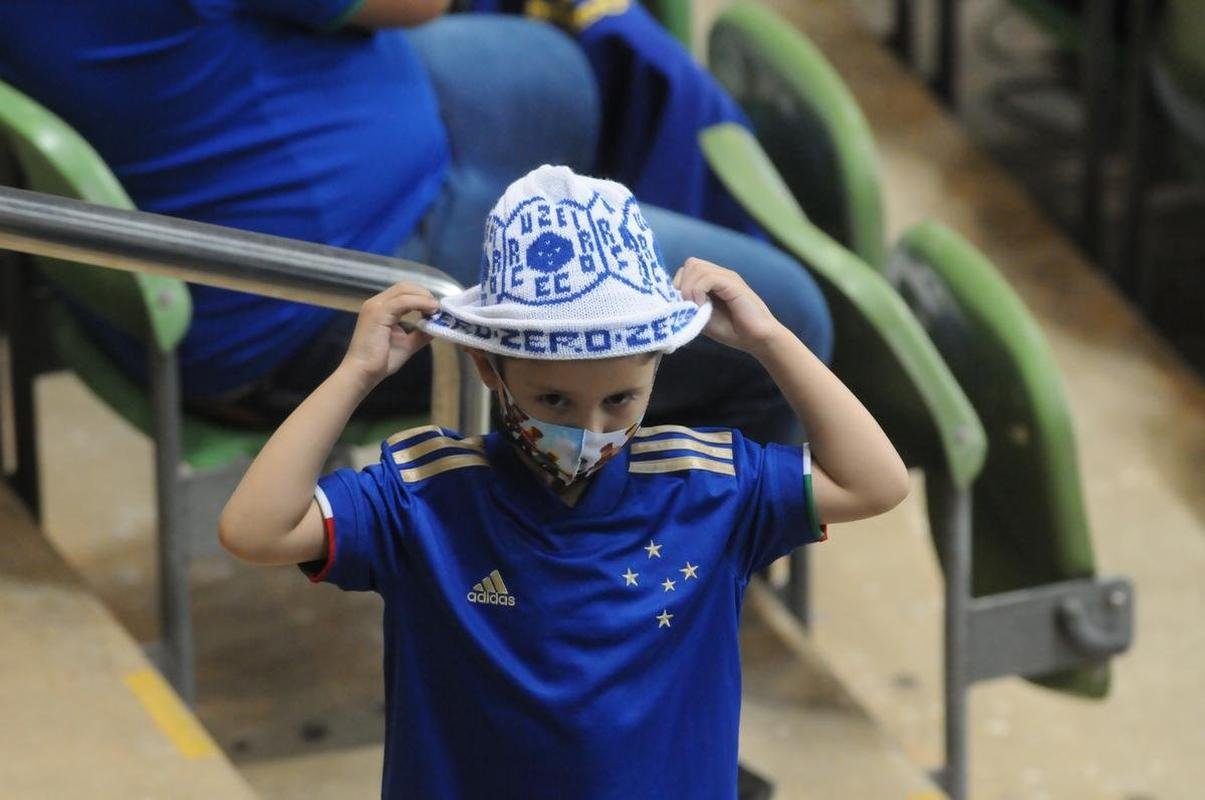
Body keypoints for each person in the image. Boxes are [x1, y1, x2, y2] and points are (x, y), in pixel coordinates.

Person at [219, 165, 909, 798]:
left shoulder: (708, 486)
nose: (589, 428)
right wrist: (355, 374)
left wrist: (769, 340)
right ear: (489, 369)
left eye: (621, 400)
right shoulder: (426, 496)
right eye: (554, 401)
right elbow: (256, 530)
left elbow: (875, 483)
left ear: (656, 373)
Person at [0, 0, 832, 444]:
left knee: (556, 76)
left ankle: (561, 431)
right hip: (309, 297)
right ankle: (632, 617)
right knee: (778, 314)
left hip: (257, 157)